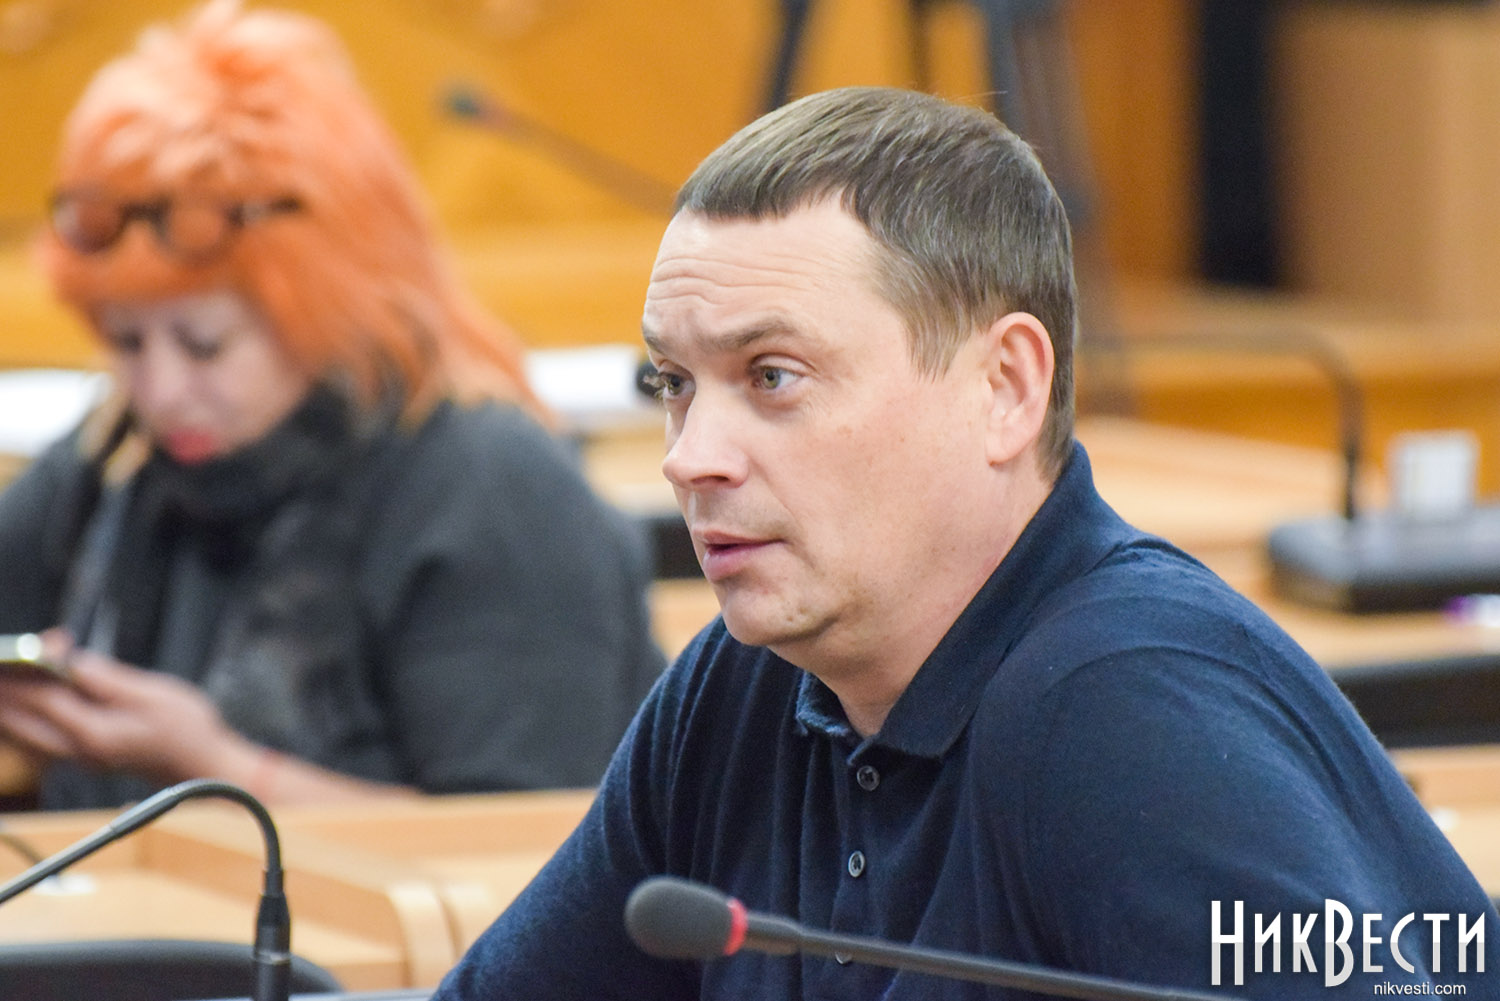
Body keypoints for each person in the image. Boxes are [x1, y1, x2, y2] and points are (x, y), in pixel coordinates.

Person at [432, 87, 1499, 999]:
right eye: (673, 382)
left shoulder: (1121, 707)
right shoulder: (742, 685)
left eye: (772, 376)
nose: (690, 456)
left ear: (1005, 388)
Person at [0, 0, 664, 810]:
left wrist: (211, 764)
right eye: (125, 341)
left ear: (327, 309)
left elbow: (523, 853)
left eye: (205, 345)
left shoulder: (491, 486)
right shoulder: (117, 453)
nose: (162, 390)